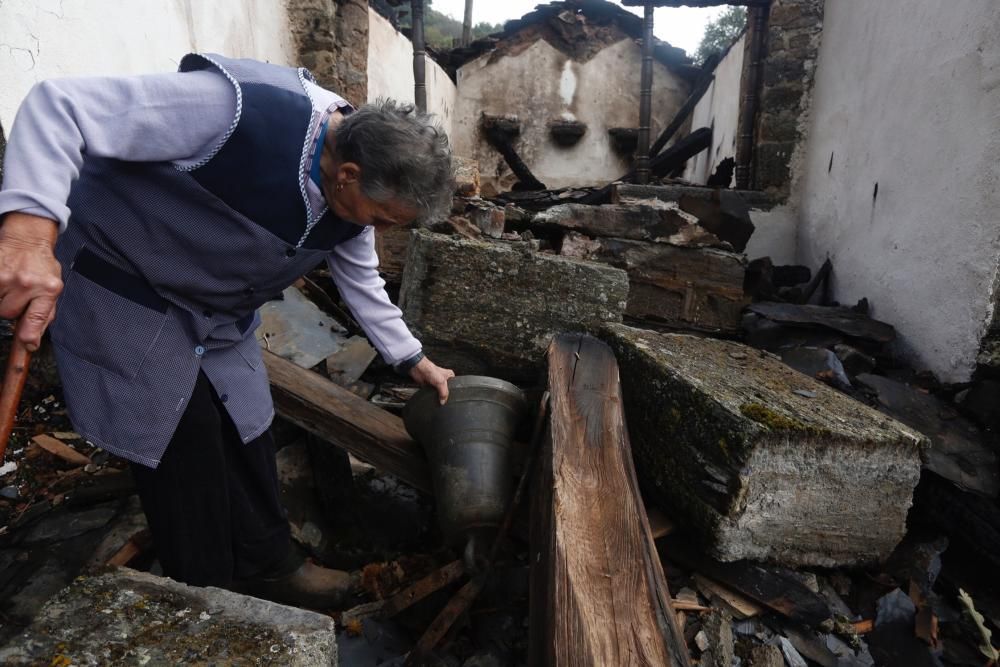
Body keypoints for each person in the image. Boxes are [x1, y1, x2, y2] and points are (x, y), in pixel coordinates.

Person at [0, 53, 455, 608]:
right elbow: (59, 106)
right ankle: (206, 596)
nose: (380, 231)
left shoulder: (351, 199)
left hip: (213, 309)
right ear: (350, 175)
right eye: (383, 219)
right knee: (177, 433)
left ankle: (272, 566)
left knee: (247, 422)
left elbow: (361, 280)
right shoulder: (236, 110)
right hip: (126, 277)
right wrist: (26, 235)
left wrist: (413, 359)